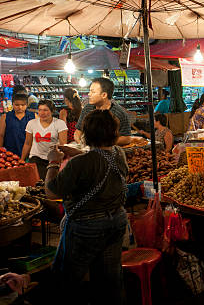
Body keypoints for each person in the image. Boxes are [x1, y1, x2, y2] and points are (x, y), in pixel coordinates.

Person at [45, 110, 128, 305]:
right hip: (117, 221)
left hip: (87, 227)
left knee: (65, 279)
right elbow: (100, 157)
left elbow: (52, 193)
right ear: (114, 133)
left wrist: (53, 162)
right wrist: (80, 153)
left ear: (86, 135)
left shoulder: (79, 164)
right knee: (110, 281)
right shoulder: (120, 154)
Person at [74, 78, 131, 146]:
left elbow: (127, 138)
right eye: (89, 91)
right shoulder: (87, 109)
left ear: (104, 95)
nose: (89, 94)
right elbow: (78, 132)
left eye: (93, 92)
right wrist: (82, 144)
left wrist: (102, 143)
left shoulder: (119, 113)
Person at [21, 100, 67, 179]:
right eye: (40, 110)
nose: (42, 113)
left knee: (51, 182)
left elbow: (63, 145)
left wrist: (62, 159)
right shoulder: (31, 123)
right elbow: (27, 143)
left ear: (52, 111)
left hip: (53, 159)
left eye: (45, 110)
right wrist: (22, 160)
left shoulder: (60, 124)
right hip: (36, 157)